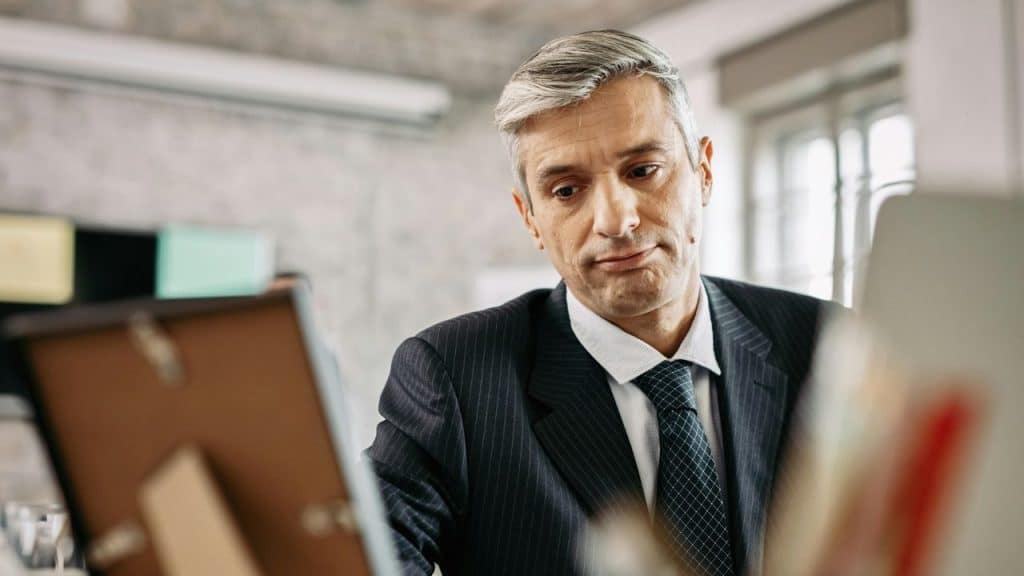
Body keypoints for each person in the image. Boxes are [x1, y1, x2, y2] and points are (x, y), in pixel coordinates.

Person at [366, 30, 835, 576]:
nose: (616, 220)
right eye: (566, 190)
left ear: (704, 172)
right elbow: (362, 557)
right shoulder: (455, 376)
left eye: (643, 171)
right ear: (530, 218)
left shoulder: (827, 346)